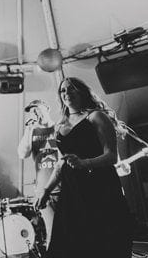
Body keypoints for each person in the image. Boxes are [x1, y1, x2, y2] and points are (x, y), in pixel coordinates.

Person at [35, 77, 132, 257]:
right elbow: (61, 162)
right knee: (65, 246)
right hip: (72, 191)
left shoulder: (95, 116)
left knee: (102, 244)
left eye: (71, 89)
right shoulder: (60, 125)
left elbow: (112, 156)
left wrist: (84, 163)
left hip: (100, 188)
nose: (66, 93)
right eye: (62, 91)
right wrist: (46, 190)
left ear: (81, 92)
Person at [18, 99, 60, 247]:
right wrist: (29, 130)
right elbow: (22, 154)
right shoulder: (32, 131)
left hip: (64, 187)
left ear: (47, 108)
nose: (35, 112)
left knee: (71, 229)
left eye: (38, 109)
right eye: (33, 111)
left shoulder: (59, 127)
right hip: (43, 191)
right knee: (52, 233)